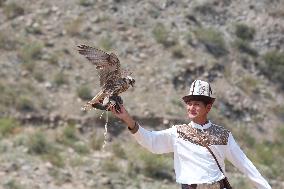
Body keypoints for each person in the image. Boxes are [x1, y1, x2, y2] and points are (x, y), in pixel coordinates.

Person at [109, 79, 271, 189]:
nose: (191, 107)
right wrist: (127, 118)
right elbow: (151, 142)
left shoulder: (224, 135)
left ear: (208, 108)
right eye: (189, 103)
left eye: (197, 104)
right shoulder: (177, 133)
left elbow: (246, 165)